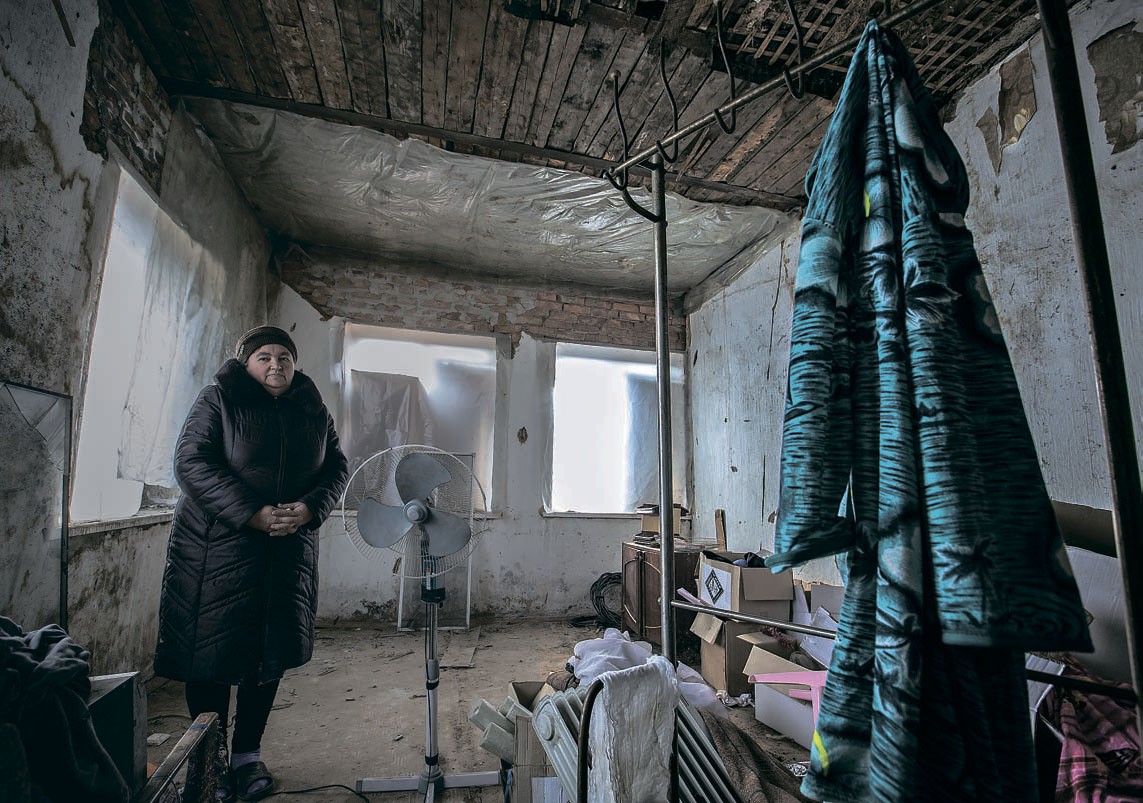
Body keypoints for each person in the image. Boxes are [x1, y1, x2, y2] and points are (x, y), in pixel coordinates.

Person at [154, 325, 348, 802]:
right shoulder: (218, 399)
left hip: (286, 551)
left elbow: (336, 467)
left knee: (268, 655)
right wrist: (252, 513)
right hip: (215, 553)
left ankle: (247, 755)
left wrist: (311, 508)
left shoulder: (312, 409)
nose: (276, 364)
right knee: (212, 657)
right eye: (264, 357)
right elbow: (191, 462)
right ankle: (211, 762)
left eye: (284, 357)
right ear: (246, 364)